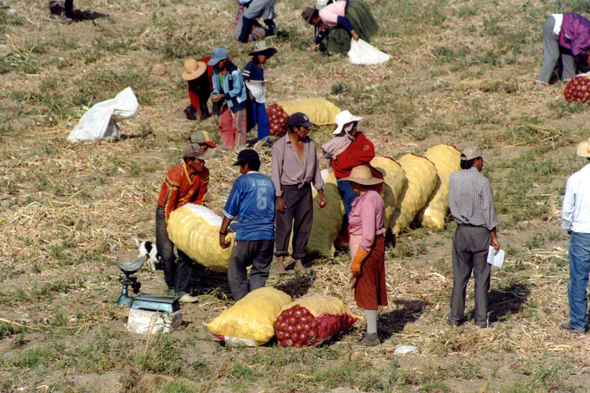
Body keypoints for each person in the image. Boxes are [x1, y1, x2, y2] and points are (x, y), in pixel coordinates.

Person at [447, 146, 499, 329]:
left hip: (461, 232)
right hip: (479, 234)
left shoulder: (454, 178)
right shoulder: (482, 182)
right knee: (481, 278)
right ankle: (480, 320)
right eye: (481, 159)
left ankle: (455, 318)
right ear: (476, 161)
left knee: (460, 277)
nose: (483, 162)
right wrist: (494, 237)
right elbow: (489, 213)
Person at [272, 112, 327, 274]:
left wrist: (320, 190)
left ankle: (298, 260)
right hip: (287, 190)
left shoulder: (310, 144)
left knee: (304, 225)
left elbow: (316, 168)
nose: (307, 131)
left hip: (304, 190)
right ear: (295, 128)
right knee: (285, 225)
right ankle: (280, 262)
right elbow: (276, 172)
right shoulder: (280, 146)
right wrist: (278, 196)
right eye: (304, 128)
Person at [156, 144, 211, 303]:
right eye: (199, 160)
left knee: (186, 250)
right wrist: (170, 226)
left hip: (187, 210)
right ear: (189, 161)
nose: (203, 163)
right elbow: (168, 205)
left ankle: (182, 289)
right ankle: (171, 284)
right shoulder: (176, 175)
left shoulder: (204, 173)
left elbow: (199, 200)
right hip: (167, 211)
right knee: (166, 253)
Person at [219, 149, 276, 301]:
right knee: (260, 271)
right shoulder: (269, 182)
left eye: (240, 167)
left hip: (247, 235)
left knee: (236, 268)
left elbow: (230, 211)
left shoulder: (242, 181)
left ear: (245, 166)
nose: (240, 170)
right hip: (268, 236)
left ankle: (242, 302)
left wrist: (222, 233)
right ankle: (255, 302)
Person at [339, 165, 386, 346]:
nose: (351, 185)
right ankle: (371, 330)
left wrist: (359, 258)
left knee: (367, 288)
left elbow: (368, 235)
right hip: (370, 247)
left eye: (352, 182)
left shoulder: (367, 202)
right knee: (370, 287)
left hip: (367, 249)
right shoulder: (372, 197)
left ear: (359, 184)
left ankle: (372, 335)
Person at [323, 110, 381, 243]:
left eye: (355, 125)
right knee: (353, 210)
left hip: (364, 177)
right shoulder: (337, 144)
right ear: (345, 128)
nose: (355, 128)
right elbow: (343, 164)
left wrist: (352, 157)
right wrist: (361, 159)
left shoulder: (360, 137)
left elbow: (370, 151)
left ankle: (374, 236)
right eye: (352, 125)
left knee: (371, 206)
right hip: (347, 182)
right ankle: (359, 239)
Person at [560, 138, 590, 333]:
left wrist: (567, 226)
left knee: (579, 279)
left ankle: (578, 323)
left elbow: (567, 210)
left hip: (581, 233)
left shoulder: (576, 179)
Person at [301, 0, 379, 55]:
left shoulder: (325, 16)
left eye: (311, 22)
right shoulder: (321, 22)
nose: (311, 24)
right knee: (336, 34)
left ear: (314, 18)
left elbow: (343, 20)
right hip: (343, 16)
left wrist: (353, 33)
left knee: (351, 32)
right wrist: (315, 43)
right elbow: (323, 32)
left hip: (349, 10)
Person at [209, 48, 248, 150]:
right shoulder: (216, 72)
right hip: (227, 101)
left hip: (237, 101)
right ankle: (228, 146)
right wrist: (216, 94)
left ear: (224, 60)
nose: (216, 65)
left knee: (238, 125)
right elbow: (216, 86)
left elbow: (238, 89)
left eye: (218, 63)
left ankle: (239, 148)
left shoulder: (234, 71)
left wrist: (223, 96)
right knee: (225, 124)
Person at [536, 13, 590, 86]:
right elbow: (576, 50)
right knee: (552, 55)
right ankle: (541, 82)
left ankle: (569, 80)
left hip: (565, 32)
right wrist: (585, 54)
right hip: (554, 25)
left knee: (567, 53)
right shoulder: (587, 34)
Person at [243, 41, 277, 143]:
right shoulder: (251, 65)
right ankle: (238, 138)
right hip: (252, 99)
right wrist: (248, 92)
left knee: (263, 121)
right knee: (251, 121)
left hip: (260, 99)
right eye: (264, 56)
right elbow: (243, 79)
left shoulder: (259, 66)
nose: (266, 59)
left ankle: (264, 142)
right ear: (258, 55)